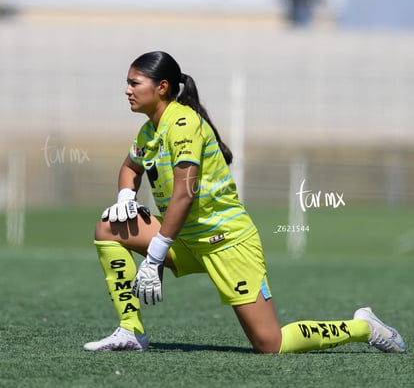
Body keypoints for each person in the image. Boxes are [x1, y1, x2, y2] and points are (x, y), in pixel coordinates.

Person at [84, 51, 406, 354]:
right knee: (107, 227)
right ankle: (131, 331)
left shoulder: (182, 123)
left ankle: (364, 326)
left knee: (270, 344)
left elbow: (185, 194)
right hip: (183, 238)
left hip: (227, 241)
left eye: (134, 83)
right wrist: (126, 194)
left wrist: (154, 257)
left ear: (162, 87)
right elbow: (129, 168)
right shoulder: (147, 133)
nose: (127, 90)